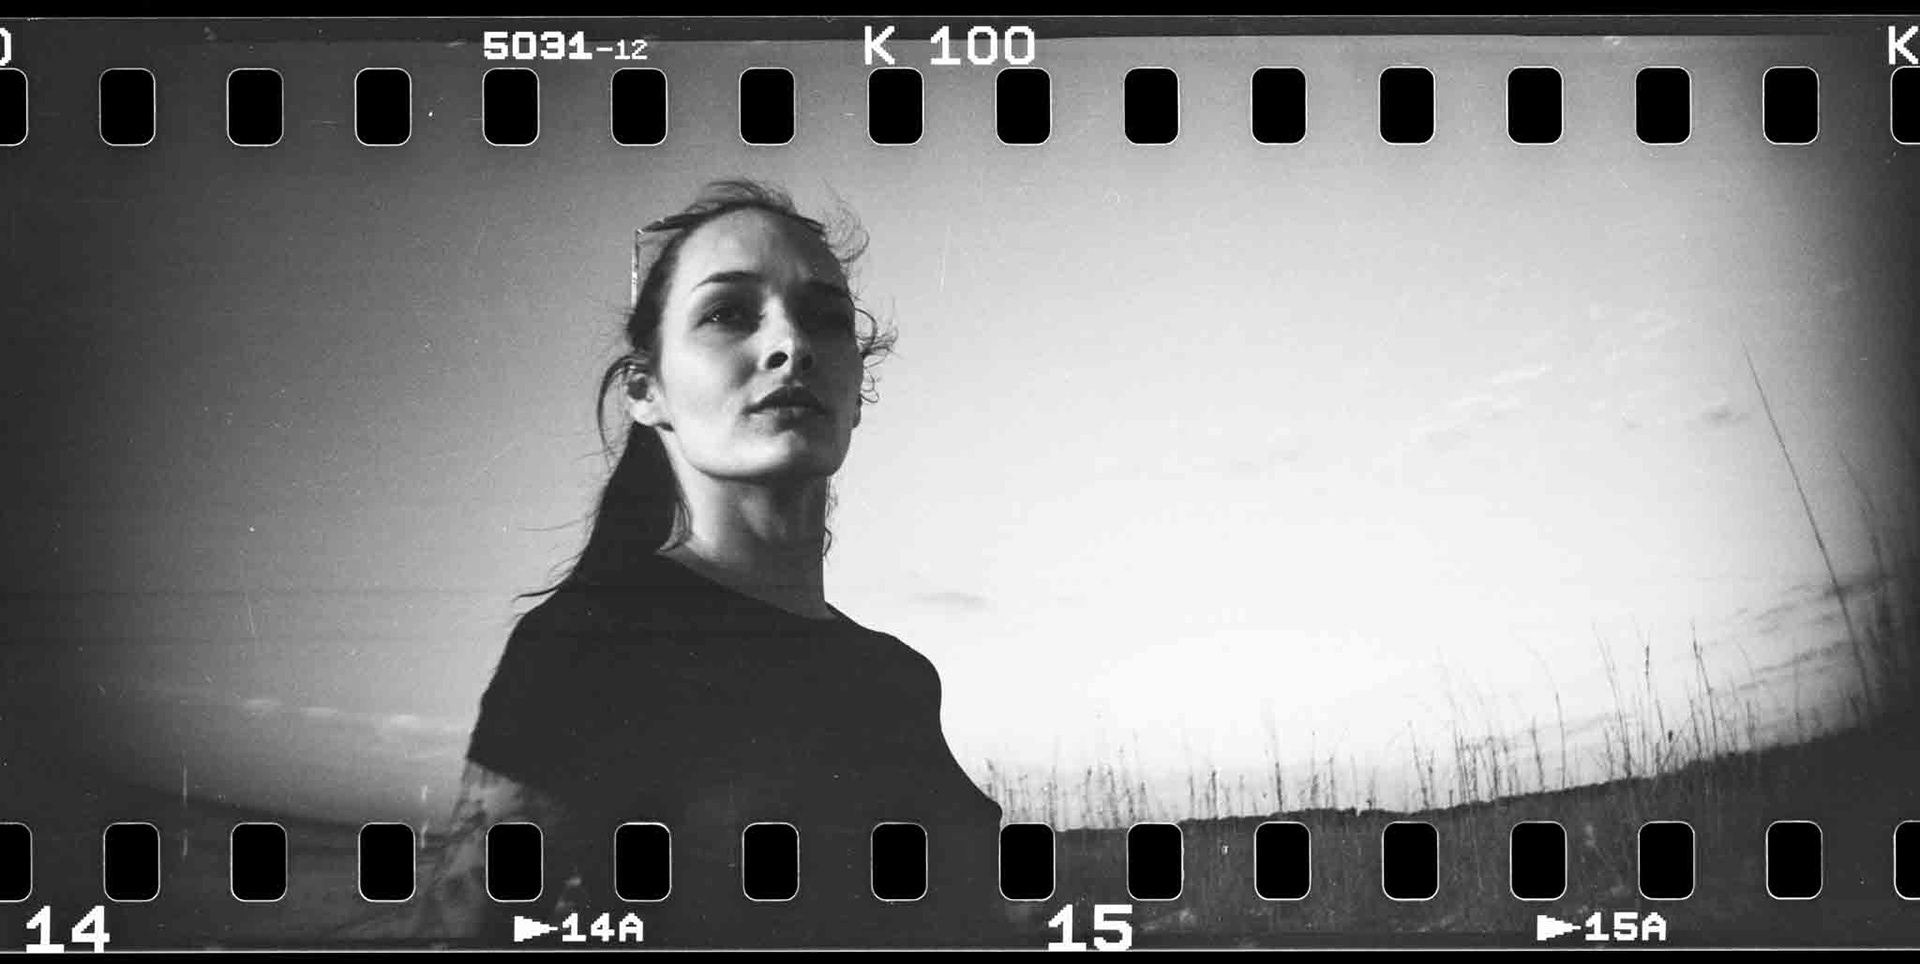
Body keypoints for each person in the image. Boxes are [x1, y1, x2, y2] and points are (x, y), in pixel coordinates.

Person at [405, 180, 1022, 949]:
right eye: (728, 313)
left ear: (859, 393)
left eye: (826, 318)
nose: (792, 345)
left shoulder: (898, 675)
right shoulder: (588, 643)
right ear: (646, 391)